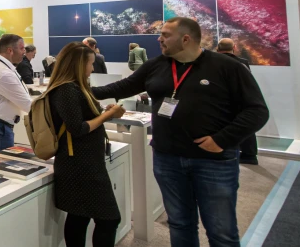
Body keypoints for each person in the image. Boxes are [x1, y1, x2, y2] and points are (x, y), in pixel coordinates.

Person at [93, 17, 269, 247]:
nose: (159, 39)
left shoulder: (227, 66)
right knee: (180, 224)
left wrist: (222, 139)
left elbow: (256, 111)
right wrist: (77, 87)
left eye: (165, 35)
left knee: (221, 231)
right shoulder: (158, 65)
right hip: (168, 159)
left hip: (214, 161)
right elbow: (121, 87)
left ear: (186, 39)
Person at [48, 42, 126, 247]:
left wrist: (102, 112)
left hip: (84, 161)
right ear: (78, 65)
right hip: (79, 165)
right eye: (90, 64)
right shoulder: (67, 89)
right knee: (108, 219)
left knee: (79, 216)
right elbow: (78, 128)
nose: (92, 69)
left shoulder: (74, 88)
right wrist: (108, 114)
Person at [0, 34, 33, 153]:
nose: (24, 51)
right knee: (2, 164)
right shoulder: (3, 72)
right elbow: (26, 103)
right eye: (21, 48)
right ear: (10, 50)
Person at [216, 38, 259, 165]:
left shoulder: (214, 62)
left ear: (218, 49)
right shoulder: (243, 62)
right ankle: (250, 155)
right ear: (234, 48)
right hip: (241, 100)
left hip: (222, 101)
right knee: (245, 127)